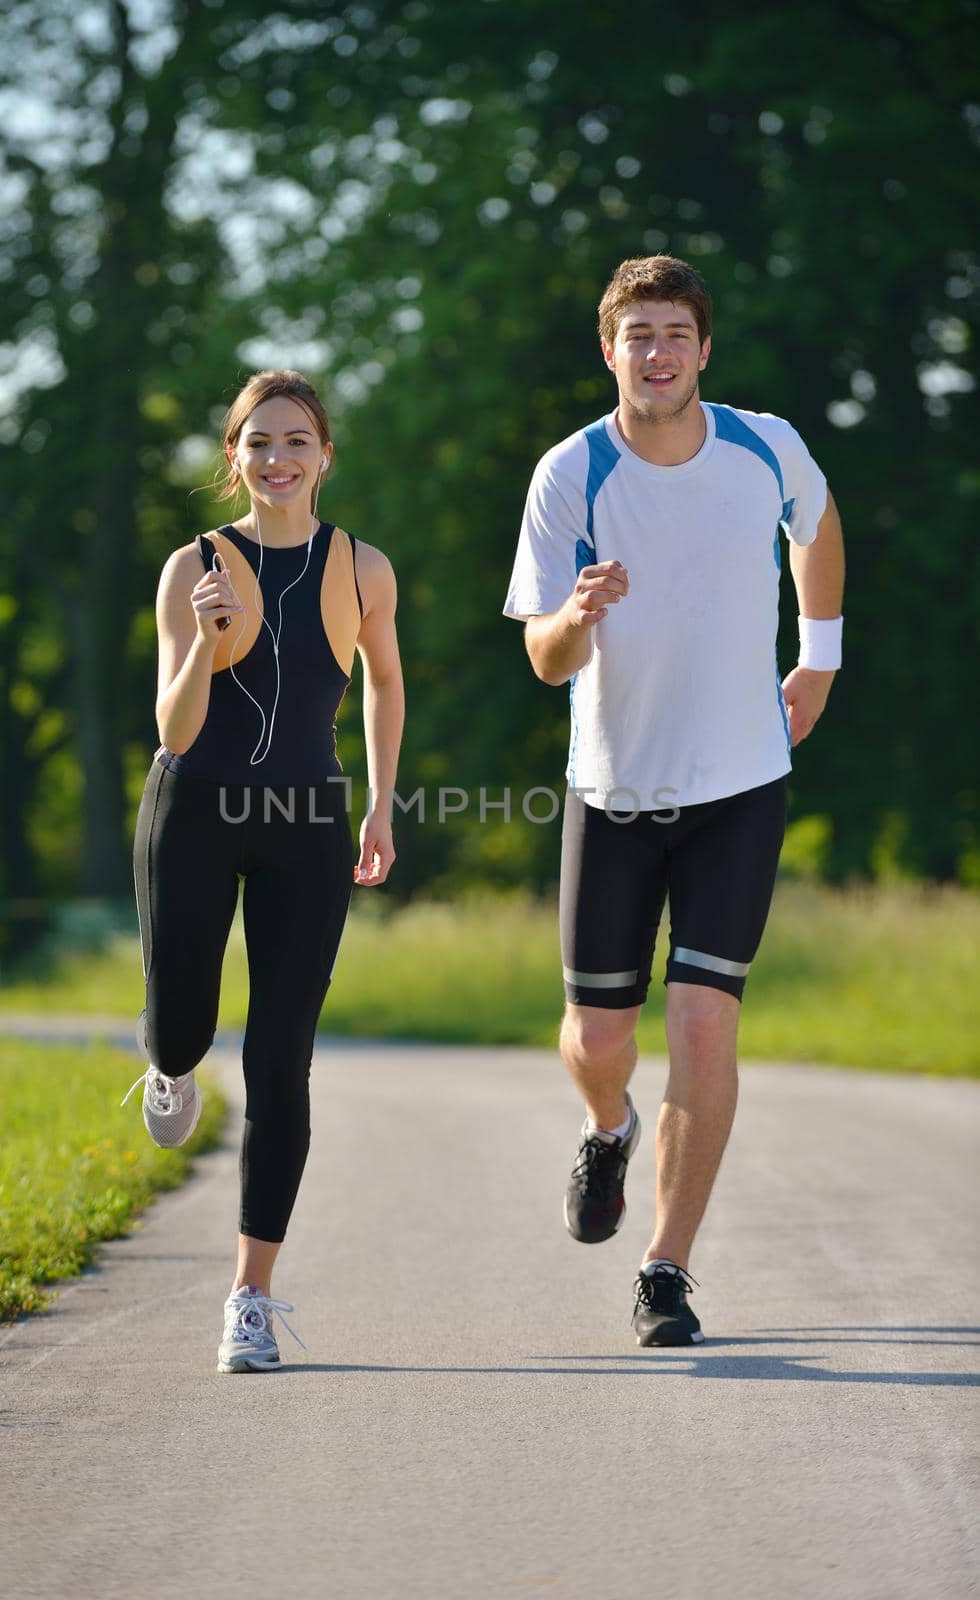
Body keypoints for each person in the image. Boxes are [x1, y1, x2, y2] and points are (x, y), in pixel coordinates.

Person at [503, 255, 844, 1346]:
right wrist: (579, 614)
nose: (655, 352)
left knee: (703, 1015)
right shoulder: (572, 472)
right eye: (636, 333)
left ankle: (665, 1267)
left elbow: (819, 530)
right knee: (598, 1036)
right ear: (609, 349)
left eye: (674, 333)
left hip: (741, 780)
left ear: (704, 348)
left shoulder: (765, 447)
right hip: (614, 788)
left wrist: (820, 659)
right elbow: (544, 661)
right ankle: (608, 1126)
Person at [125, 369, 404, 1372]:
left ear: (325, 454)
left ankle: (251, 1293)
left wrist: (377, 801)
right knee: (187, 1026)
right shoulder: (191, 567)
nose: (278, 460)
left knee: (282, 1059)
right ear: (233, 458)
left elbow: (383, 682)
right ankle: (165, 1060)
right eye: (259, 443)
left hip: (304, 821)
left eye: (298, 441)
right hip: (192, 812)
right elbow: (176, 726)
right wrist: (206, 641)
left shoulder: (364, 568)